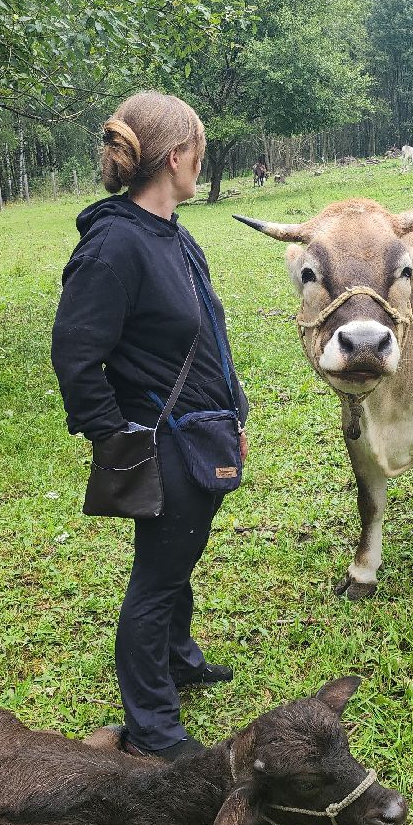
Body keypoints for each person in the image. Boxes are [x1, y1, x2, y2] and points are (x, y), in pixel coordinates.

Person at [52, 92, 249, 762]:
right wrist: (119, 438)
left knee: (177, 559)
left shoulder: (173, 234)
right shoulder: (113, 246)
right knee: (157, 578)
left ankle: (181, 658)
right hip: (161, 442)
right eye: (199, 150)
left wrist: (236, 413)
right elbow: (76, 356)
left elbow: (211, 335)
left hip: (203, 431)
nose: (203, 161)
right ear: (176, 157)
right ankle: (154, 729)